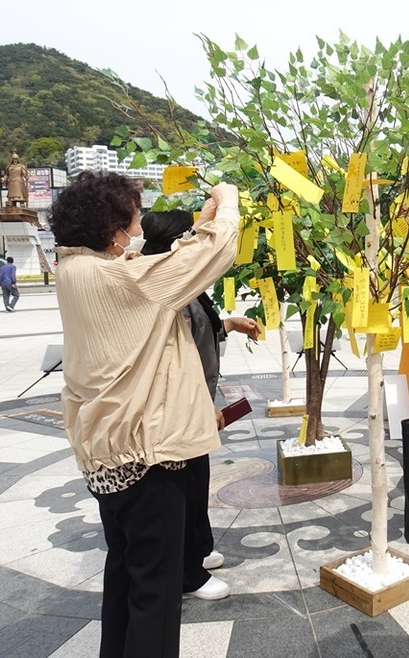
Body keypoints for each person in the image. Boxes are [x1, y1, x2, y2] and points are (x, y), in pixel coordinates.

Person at [49, 172, 240, 657]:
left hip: (107, 454)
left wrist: (197, 224)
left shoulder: (75, 270)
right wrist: (227, 202)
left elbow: (155, 265)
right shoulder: (122, 280)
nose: (139, 230)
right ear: (113, 230)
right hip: (145, 456)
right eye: (134, 220)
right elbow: (212, 255)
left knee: (126, 573)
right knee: (157, 588)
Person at [141, 209, 261, 600]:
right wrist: (198, 404)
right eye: (194, 235)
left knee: (197, 481)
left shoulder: (183, 281)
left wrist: (231, 324)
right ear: (177, 242)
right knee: (183, 487)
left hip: (197, 399)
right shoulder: (163, 286)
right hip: (180, 405)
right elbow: (172, 353)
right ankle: (188, 574)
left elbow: (197, 329)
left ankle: (199, 550)